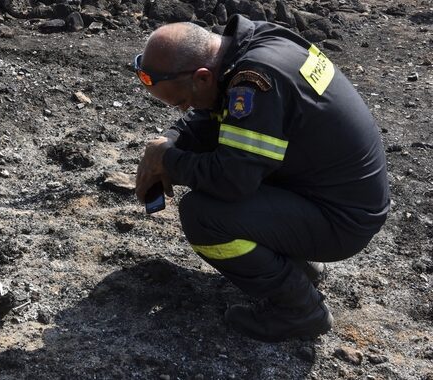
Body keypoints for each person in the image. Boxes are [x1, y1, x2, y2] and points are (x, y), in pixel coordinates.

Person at [134, 14, 390, 342]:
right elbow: (215, 117)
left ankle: (300, 310)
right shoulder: (254, 43)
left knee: (203, 217)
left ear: (201, 77)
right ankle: (299, 270)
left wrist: (169, 160)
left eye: (182, 102)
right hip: (337, 197)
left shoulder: (256, 81)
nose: (184, 110)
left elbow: (232, 181)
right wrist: (168, 142)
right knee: (237, 155)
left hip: (342, 222)